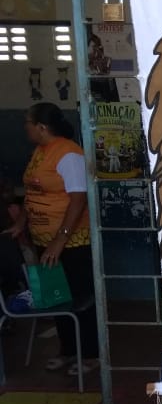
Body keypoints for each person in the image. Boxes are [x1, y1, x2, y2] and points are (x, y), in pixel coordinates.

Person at [6, 103, 99, 375]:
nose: (25, 127)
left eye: (28, 122)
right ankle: (68, 350)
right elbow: (34, 193)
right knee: (56, 296)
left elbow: (78, 199)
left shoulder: (69, 154)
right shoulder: (41, 151)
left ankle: (91, 354)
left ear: (42, 127)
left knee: (80, 298)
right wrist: (21, 223)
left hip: (73, 242)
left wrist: (61, 240)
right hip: (44, 240)